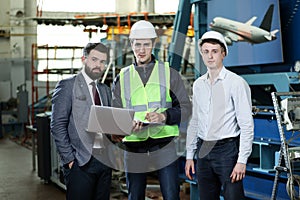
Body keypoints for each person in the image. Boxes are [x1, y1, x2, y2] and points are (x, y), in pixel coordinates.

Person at [111, 20, 192, 200]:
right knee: (135, 196)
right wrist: (127, 125)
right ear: (131, 45)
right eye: (137, 44)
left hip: (164, 145)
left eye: (146, 44)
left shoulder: (168, 73)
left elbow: (186, 108)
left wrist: (164, 116)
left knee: (171, 195)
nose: (141, 49)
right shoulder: (122, 77)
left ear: (153, 45)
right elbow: (115, 114)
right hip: (134, 145)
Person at [185, 31, 254, 200]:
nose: (210, 56)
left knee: (234, 197)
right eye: (206, 51)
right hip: (203, 150)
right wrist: (189, 155)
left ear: (223, 53)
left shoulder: (236, 83)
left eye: (214, 51)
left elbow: (246, 125)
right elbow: (195, 121)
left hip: (227, 152)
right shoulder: (198, 84)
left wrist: (242, 160)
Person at [50, 43, 112, 200]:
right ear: (84, 59)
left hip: (104, 161)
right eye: (94, 59)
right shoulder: (67, 86)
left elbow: (108, 122)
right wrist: (70, 160)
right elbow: (57, 125)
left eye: (102, 61)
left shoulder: (104, 90)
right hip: (80, 162)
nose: (98, 65)